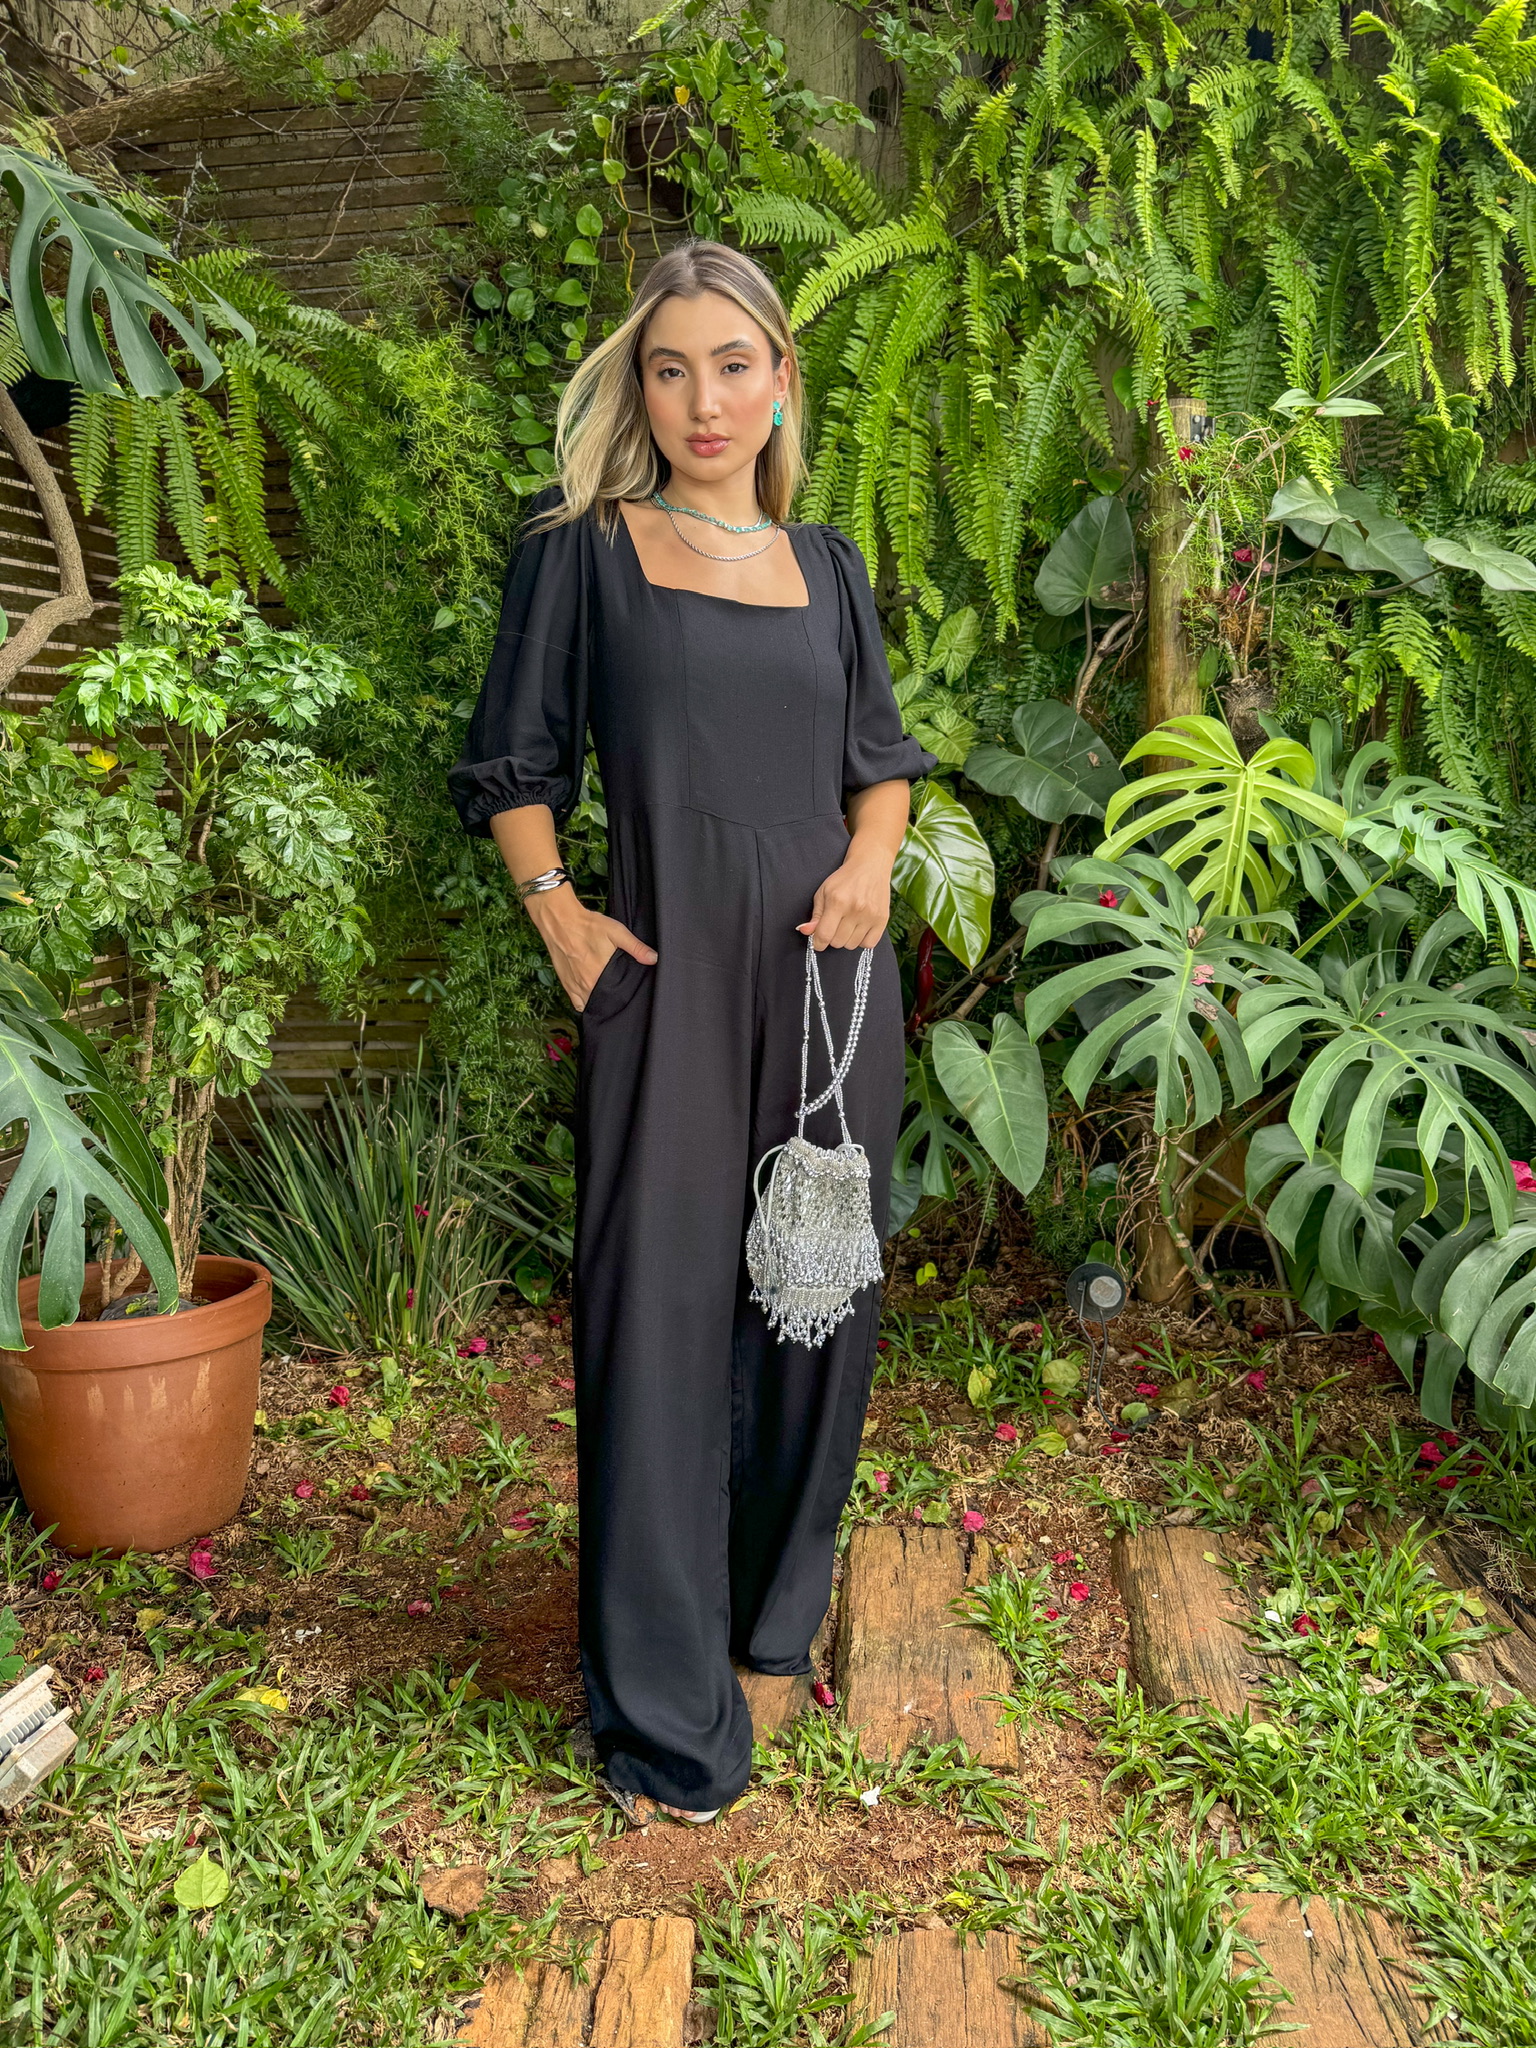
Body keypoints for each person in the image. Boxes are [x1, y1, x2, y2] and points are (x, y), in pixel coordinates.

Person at [447, 238, 936, 1823]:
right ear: (639, 389)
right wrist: (562, 920)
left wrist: (871, 865)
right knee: (650, 1314)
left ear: (781, 381)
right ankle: (664, 1704)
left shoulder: (830, 569)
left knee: (813, 1310)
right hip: (663, 980)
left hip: (828, 988)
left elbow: (880, 762)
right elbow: (515, 763)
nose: (703, 400)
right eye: (671, 370)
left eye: (733, 365)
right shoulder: (582, 552)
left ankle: (771, 1633)